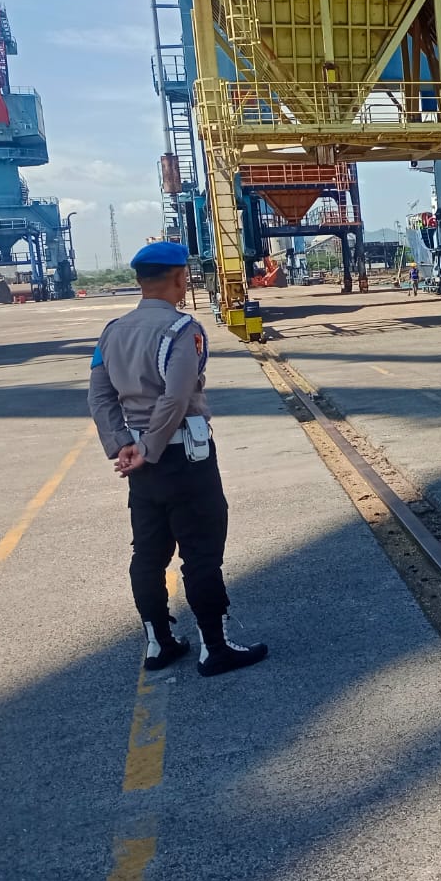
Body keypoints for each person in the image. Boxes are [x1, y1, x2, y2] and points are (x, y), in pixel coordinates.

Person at [87, 241, 268, 677]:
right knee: (201, 554)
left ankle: (159, 643)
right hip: (185, 459)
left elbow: (100, 397)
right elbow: (176, 396)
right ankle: (214, 648)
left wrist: (123, 445)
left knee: (148, 555)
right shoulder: (183, 330)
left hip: (141, 466)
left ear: (139, 281)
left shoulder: (111, 332)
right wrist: (150, 448)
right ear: (179, 278)